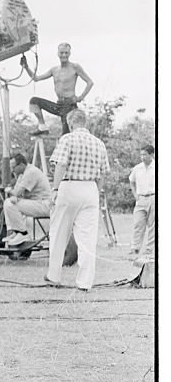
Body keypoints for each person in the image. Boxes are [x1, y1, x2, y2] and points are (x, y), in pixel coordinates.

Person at [45, 109, 110, 292]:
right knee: (87, 238)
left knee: (59, 233)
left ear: (70, 122)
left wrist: (55, 188)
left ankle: (54, 275)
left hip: (69, 186)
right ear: (85, 122)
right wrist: (96, 191)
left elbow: (61, 164)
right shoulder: (99, 143)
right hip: (90, 188)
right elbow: (103, 173)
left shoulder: (67, 139)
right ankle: (85, 282)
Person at [22, 43, 94, 136]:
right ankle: (42, 127)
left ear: (69, 54)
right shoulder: (54, 70)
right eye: (62, 53)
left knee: (65, 136)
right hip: (59, 105)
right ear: (58, 54)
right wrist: (26, 67)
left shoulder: (75, 67)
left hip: (69, 105)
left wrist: (80, 97)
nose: (64, 55)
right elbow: (36, 78)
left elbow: (90, 82)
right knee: (34, 101)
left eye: (66, 53)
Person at [2, 152, 51, 247]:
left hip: (44, 204)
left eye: (13, 167)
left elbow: (16, 192)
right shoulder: (22, 174)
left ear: (21, 165)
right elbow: (16, 195)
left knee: (10, 204)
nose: (12, 170)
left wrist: (8, 190)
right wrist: (14, 195)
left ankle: (23, 233)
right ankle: (15, 232)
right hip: (35, 203)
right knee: (8, 203)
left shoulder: (31, 172)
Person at [128, 145, 155, 260]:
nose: (142, 157)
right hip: (141, 198)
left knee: (153, 225)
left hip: (153, 197)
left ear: (151, 155)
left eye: (145, 154)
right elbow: (132, 182)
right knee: (138, 223)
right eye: (141, 154)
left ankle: (150, 249)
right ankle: (135, 248)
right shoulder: (137, 168)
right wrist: (135, 195)